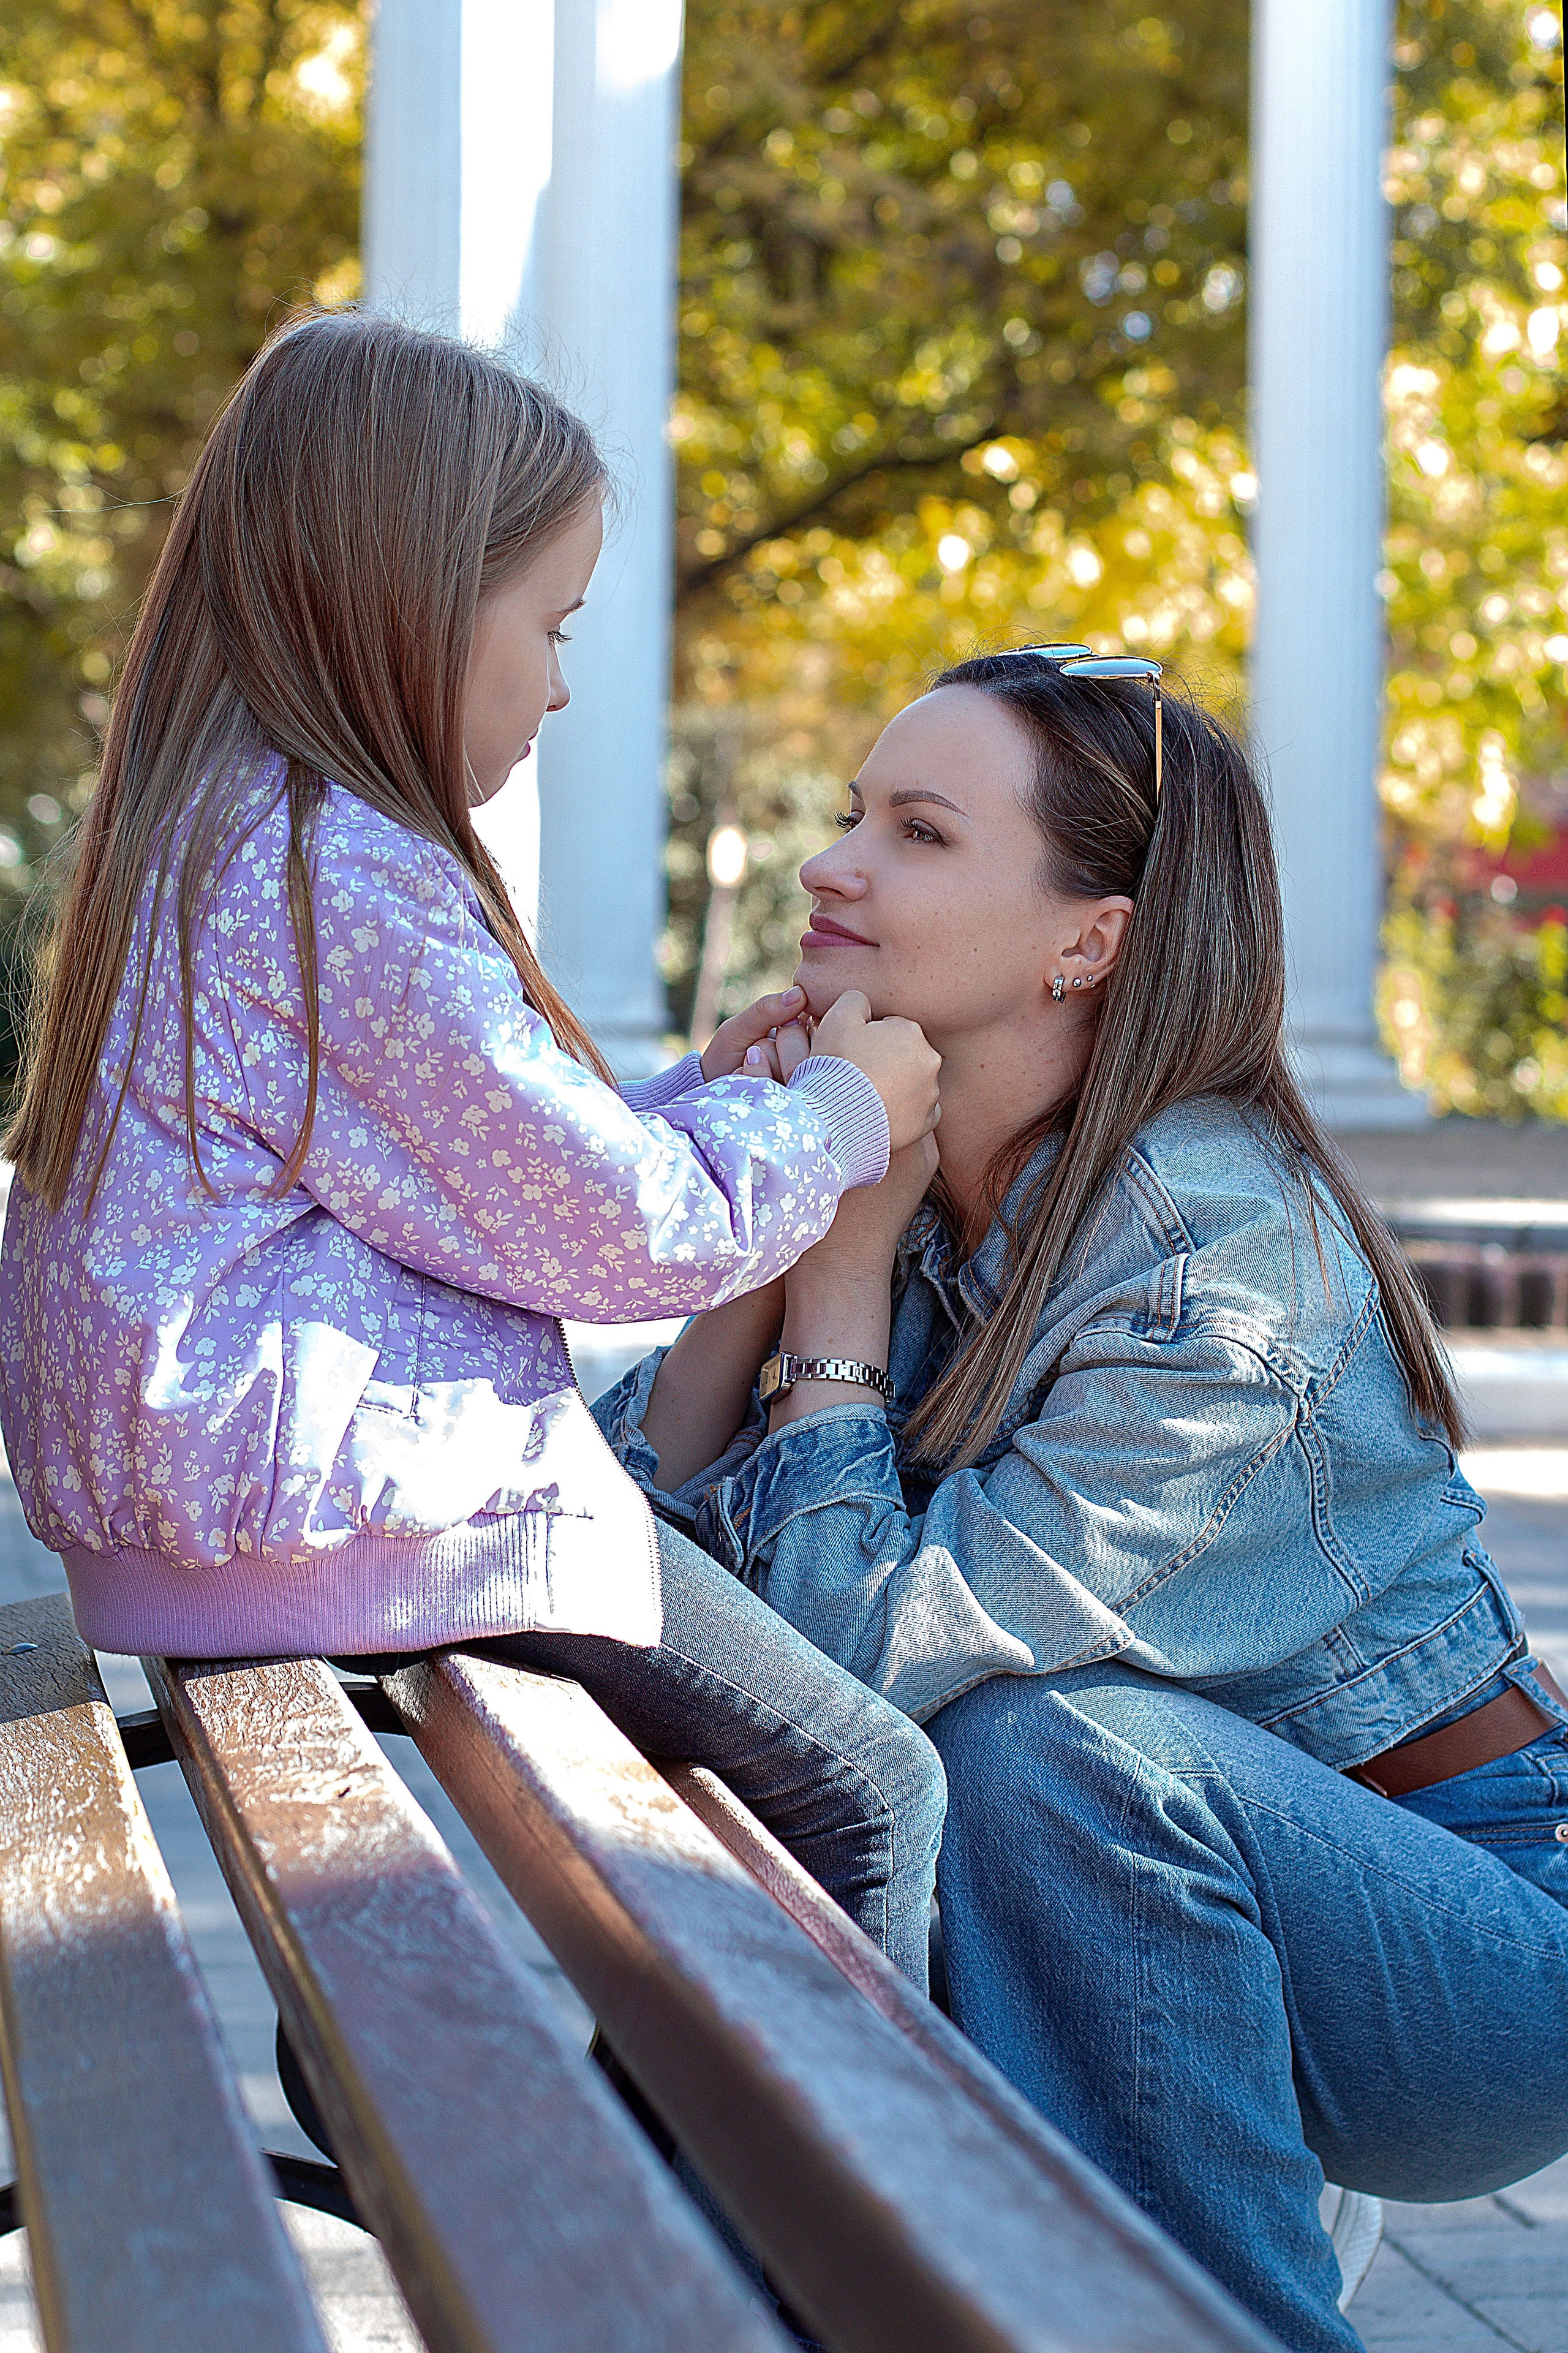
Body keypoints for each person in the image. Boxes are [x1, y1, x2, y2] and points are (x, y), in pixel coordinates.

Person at [595, 647, 1568, 2352]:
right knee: (1015, 1770)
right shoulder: (912, 1183)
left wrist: (829, 1293)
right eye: (850, 818)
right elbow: (609, 1570)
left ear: (1088, 937)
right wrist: (760, 1246)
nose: (835, 865)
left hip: (1469, 1940)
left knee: (1039, 1749)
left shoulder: (1217, 1264)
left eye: (916, 831)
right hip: (1158, 1892)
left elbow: (848, 1683)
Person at [0, 312, 946, 1989]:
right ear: (420, 595)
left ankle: (643, 2167)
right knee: (870, 1787)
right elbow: (620, 1235)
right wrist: (840, 1117)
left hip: (218, 1522)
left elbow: (439, 1179)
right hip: (338, 1522)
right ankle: (779, 2244)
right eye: (553, 621)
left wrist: (694, 1099)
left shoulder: (223, 825)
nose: (566, 682)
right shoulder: (332, 868)